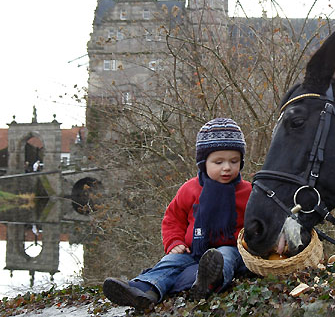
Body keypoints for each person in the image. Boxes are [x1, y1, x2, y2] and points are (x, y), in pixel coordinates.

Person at [103, 118, 252, 310]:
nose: (227, 168)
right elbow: (173, 218)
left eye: (234, 161)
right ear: (203, 162)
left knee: (224, 258)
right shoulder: (190, 189)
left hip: (229, 247)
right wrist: (174, 242)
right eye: (218, 162)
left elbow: (259, 221)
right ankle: (145, 290)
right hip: (192, 249)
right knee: (170, 262)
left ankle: (207, 284)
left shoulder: (247, 192)